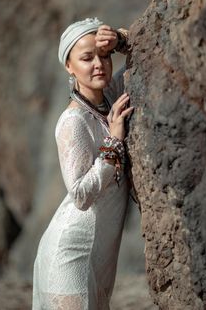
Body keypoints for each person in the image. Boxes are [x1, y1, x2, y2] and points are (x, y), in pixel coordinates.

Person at [32, 17, 133, 310]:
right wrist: (113, 143)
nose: (99, 64)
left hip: (99, 253)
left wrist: (120, 40)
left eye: (103, 55)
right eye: (87, 58)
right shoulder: (73, 120)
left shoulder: (110, 98)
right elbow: (79, 195)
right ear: (69, 66)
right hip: (71, 252)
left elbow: (143, 57)